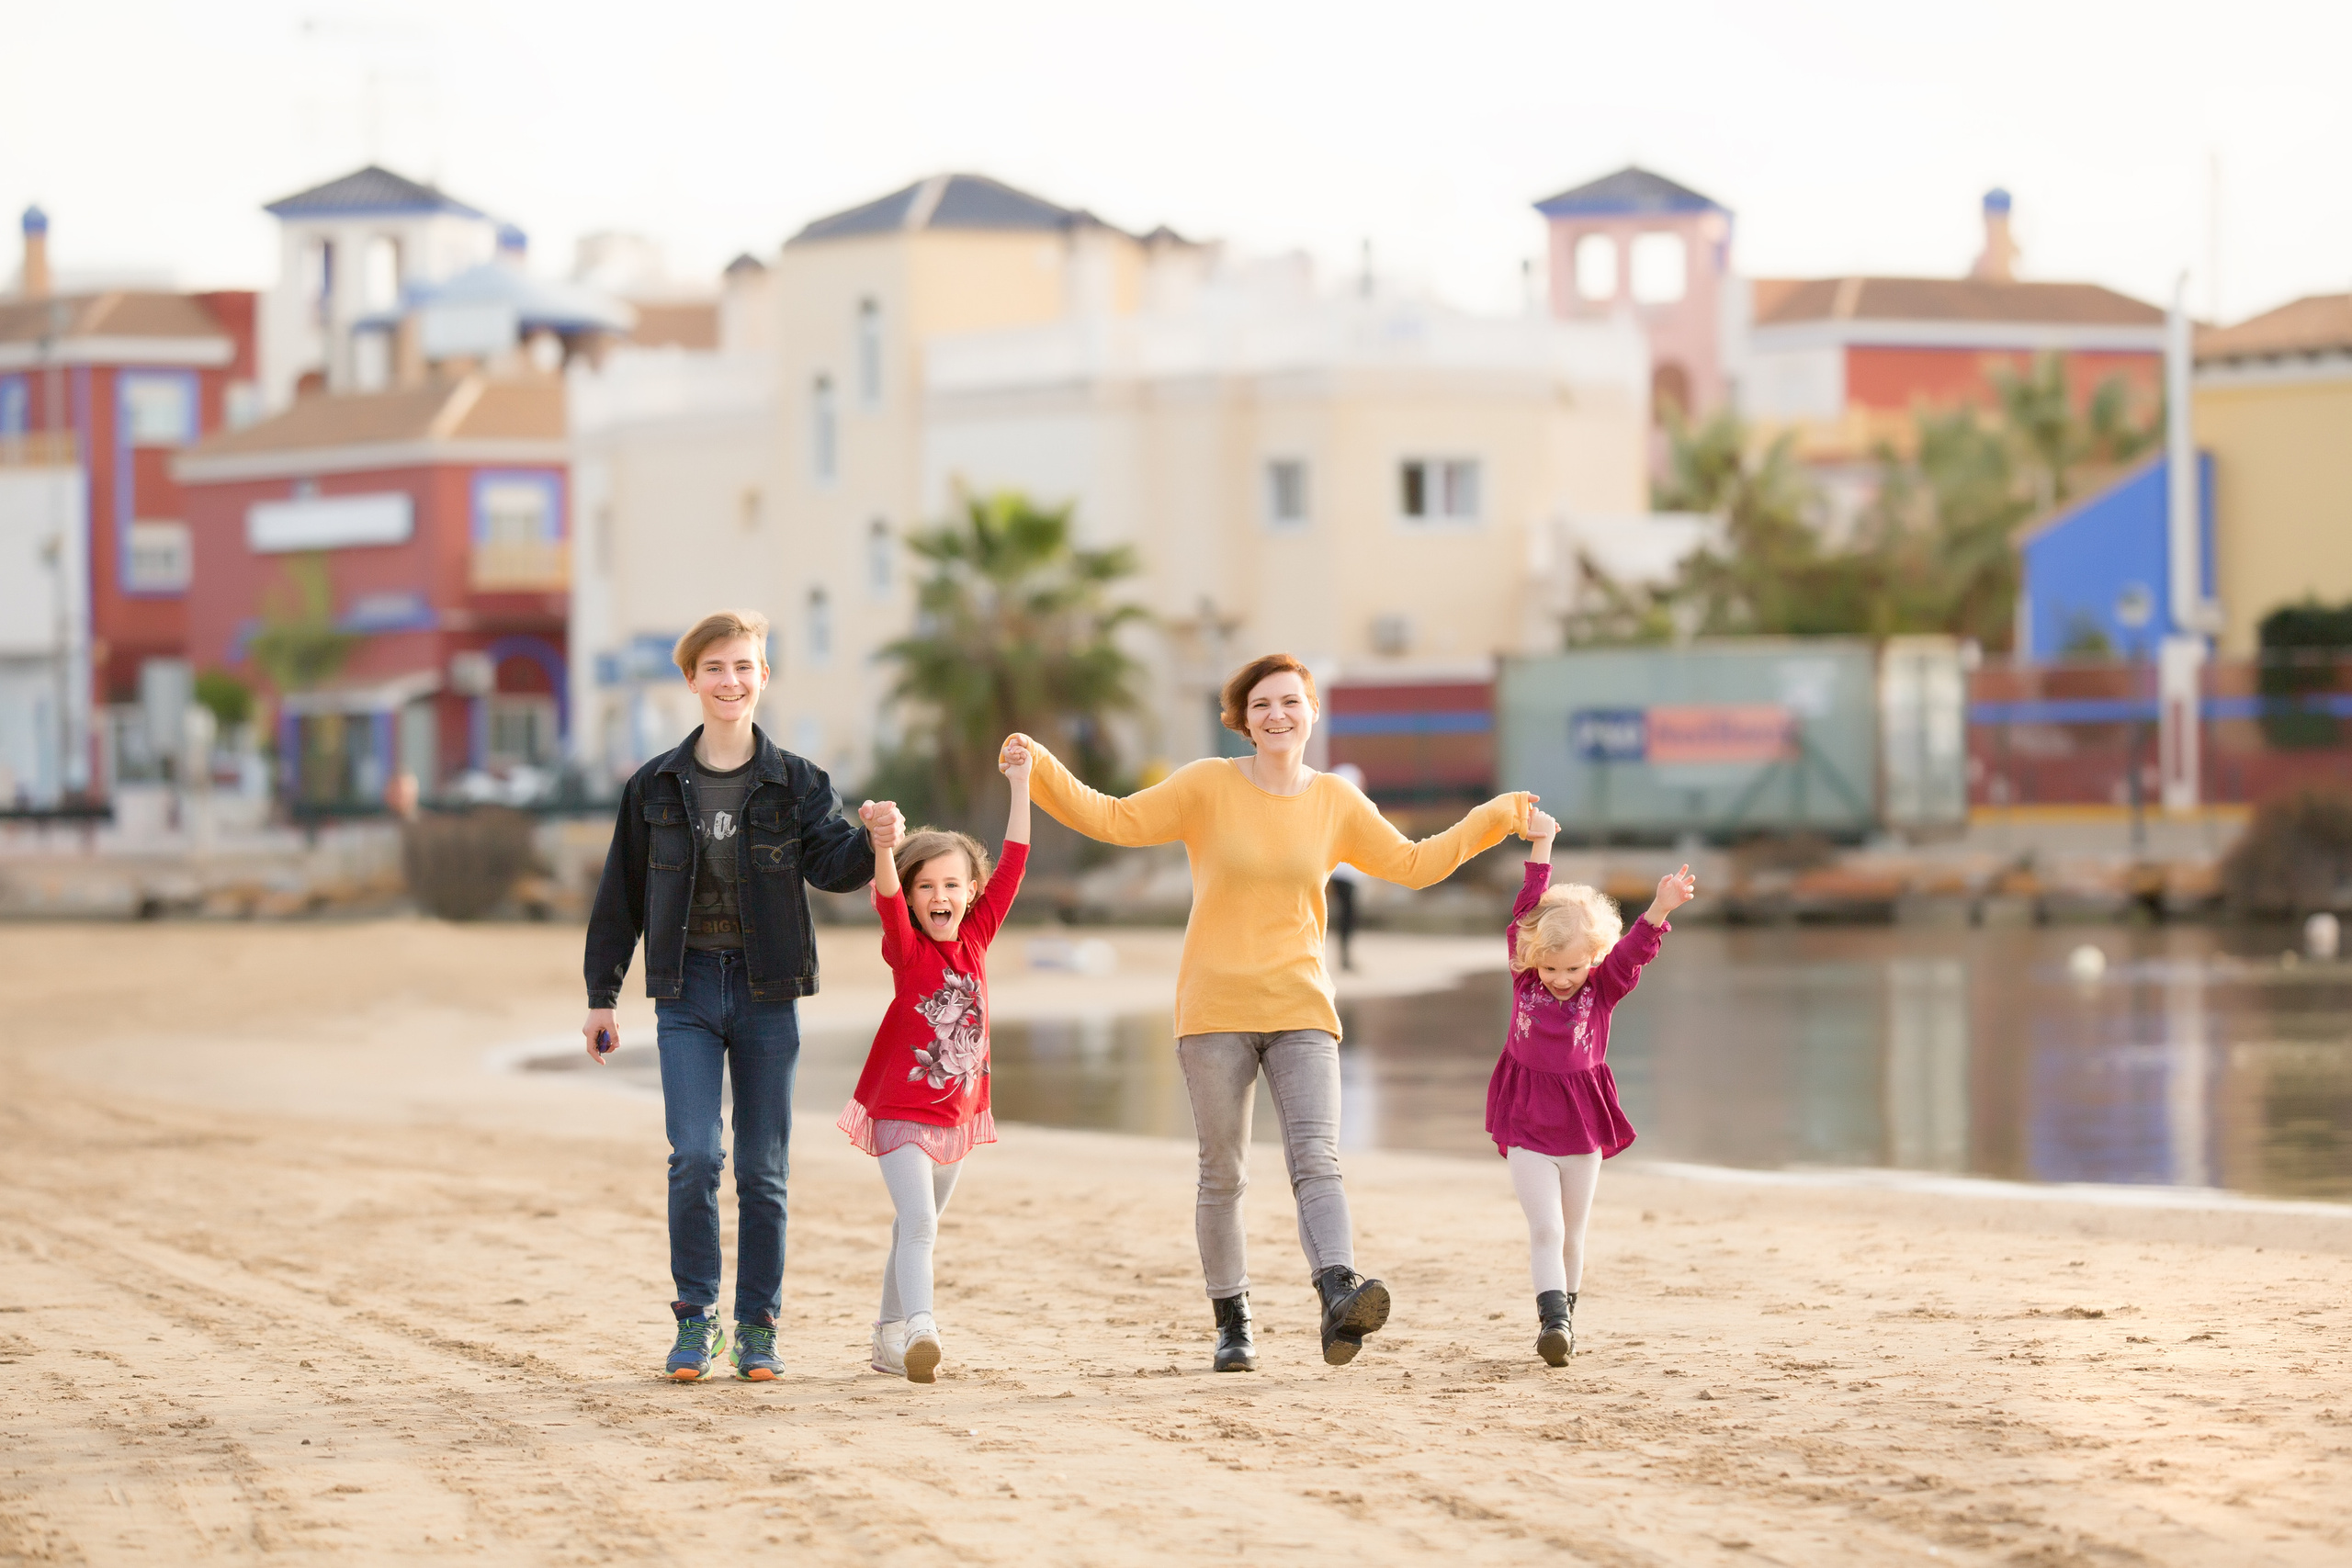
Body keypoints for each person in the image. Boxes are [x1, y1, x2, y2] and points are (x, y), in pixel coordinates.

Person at [1002, 653, 1535, 1371]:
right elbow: (1117, 818)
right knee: (1222, 1173)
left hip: (1302, 1004)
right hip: (1214, 1008)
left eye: (1290, 701)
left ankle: (1338, 1289)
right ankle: (1234, 1321)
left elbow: (1413, 864)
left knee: (1317, 1158)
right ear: (1244, 720)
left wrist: (1496, 816)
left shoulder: (1336, 803)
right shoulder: (1207, 784)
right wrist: (1038, 763)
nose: (1278, 714)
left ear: (1312, 711)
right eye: (1262, 705)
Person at [580, 609, 900, 1382]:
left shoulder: (797, 781)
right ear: (691, 679)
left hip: (768, 992)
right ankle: (696, 1321)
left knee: (763, 1167)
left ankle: (757, 1326)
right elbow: (619, 895)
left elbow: (832, 864)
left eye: (744, 666)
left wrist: (876, 838)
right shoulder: (652, 784)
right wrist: (602, 994)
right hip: (684, 990)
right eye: (715, 667)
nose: (731, 680)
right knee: (695, 1155)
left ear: (764, 677)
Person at [837, 740, 1033, 1383]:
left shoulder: (976, 936)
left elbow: (1015, 859)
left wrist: (1020, 782)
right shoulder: (908, 950)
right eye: (928, 887)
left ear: (971, 891)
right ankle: (922, 1326)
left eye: (952, 884)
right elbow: (888, 894)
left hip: (958, 1115)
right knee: (920, 1222)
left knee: (913, 1225)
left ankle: (886, 1338)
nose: (939, 895)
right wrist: (884, 846)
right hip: (900, 1111)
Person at [1489, 807, 1694, 1366]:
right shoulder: (1523, 973)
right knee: (1547, 1228)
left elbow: (1634, 951)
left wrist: (1661, 906)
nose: (1559, 980)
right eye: (1550, 968)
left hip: (1582, 1124)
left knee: (1574, 1233)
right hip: (1528, 1119)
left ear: (1592, 962)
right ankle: (1551, 1321)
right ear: (1533, 958)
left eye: (1572, 970)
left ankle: (1567, 1323)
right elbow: (1527, 911)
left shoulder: (1601, 990)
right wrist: (1542, 845)